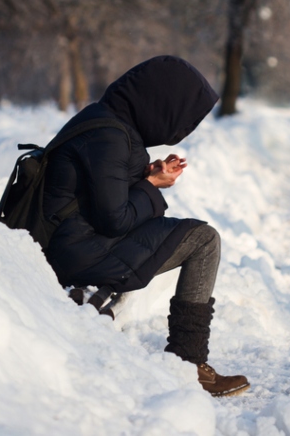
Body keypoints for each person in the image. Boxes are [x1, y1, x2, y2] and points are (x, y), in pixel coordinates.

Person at [42, 55, 250, 397]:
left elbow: (104, 191)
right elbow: (114, 218)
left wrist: (146, 175)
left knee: (198, 237)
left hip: (81, 241)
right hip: (80, 253)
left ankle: (189, 360)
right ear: (159, 102)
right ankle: (188, 362)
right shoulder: (109, 136)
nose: (179, 127)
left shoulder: (112, 124)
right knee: (203, 239)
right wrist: (151, 185)